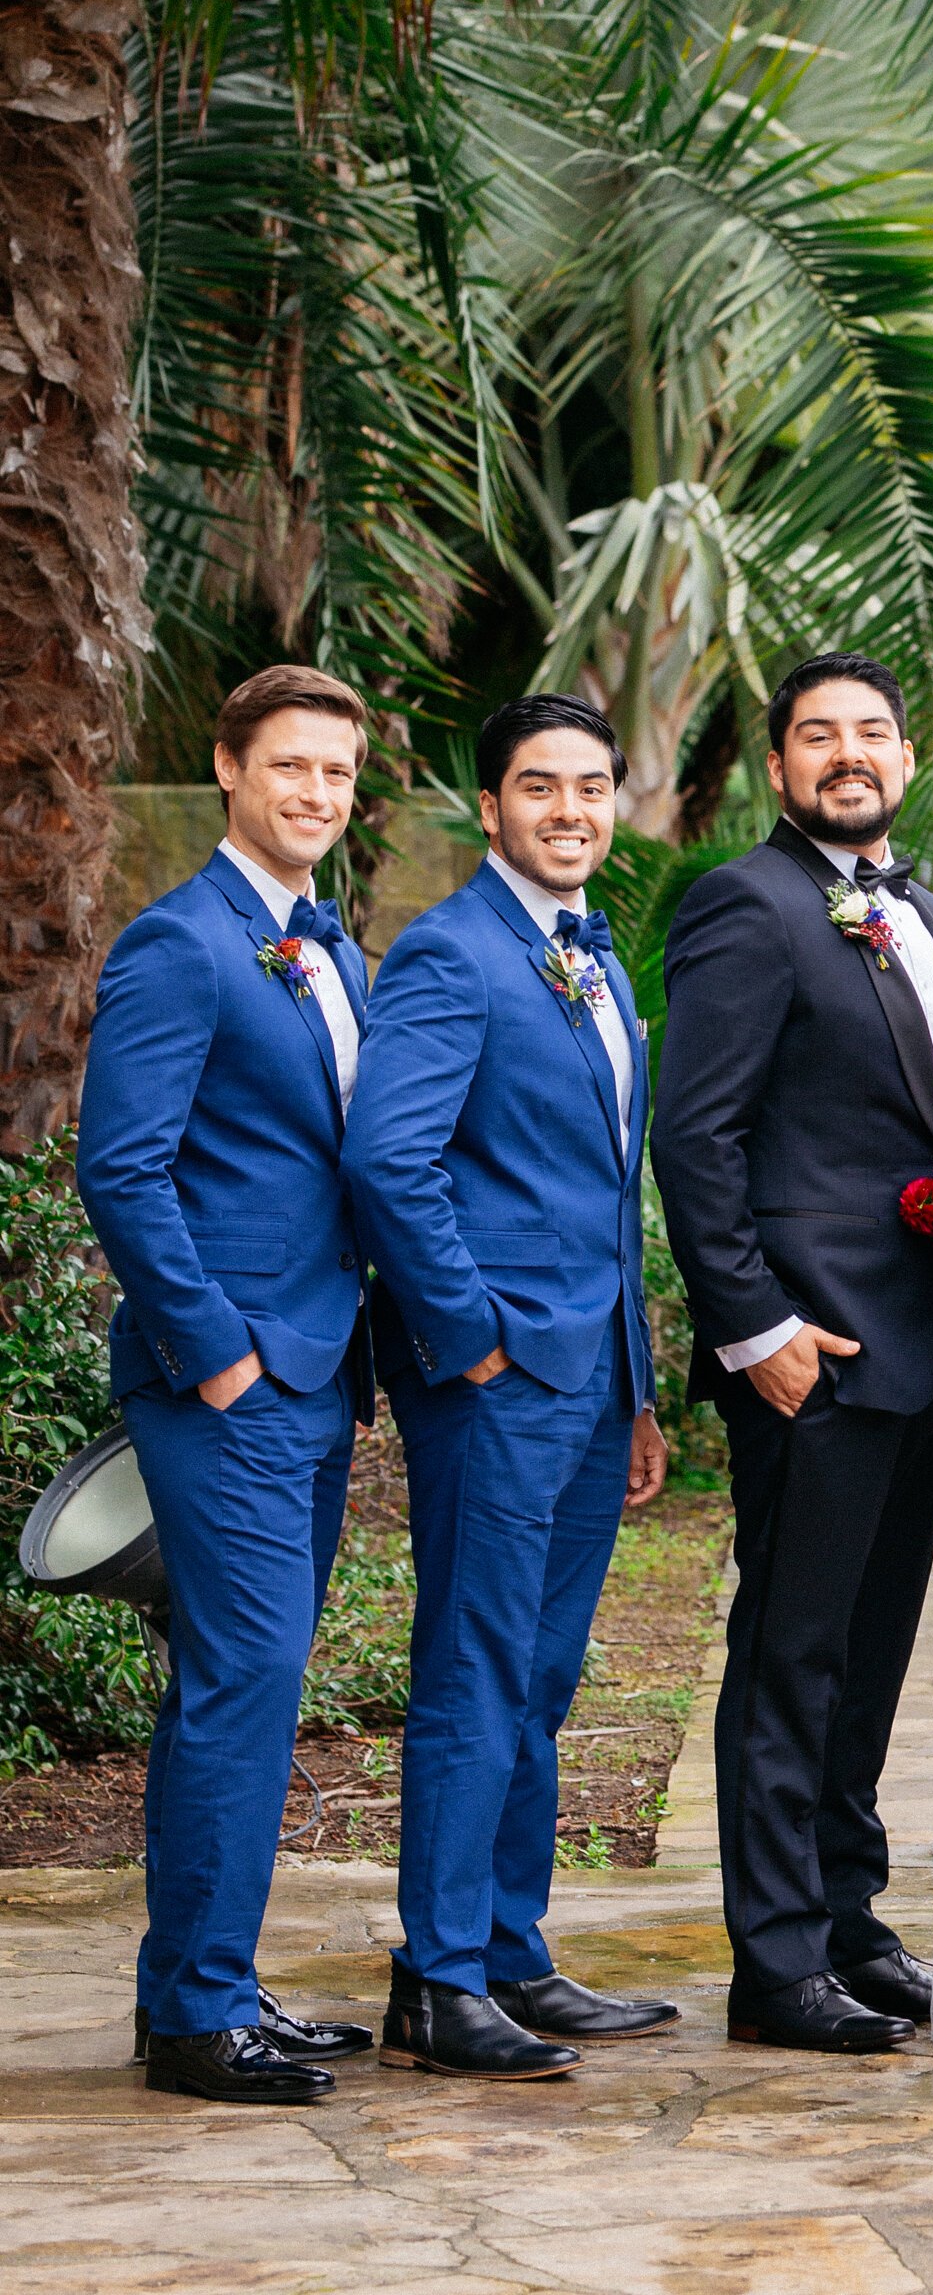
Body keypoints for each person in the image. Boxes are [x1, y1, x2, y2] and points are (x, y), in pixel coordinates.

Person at [652, 653, 933, 2055]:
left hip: (920, 1342)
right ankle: (774, 1961)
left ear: (906, 758)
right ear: (780, 765)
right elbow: (695, 1135)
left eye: (871, 733)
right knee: (792, 1653)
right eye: (816, 736)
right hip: (815, 1349)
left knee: (871, 1648)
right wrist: (755, 1330)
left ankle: (848, 1917)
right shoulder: (748, 903)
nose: (847, 754)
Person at [343, 694, 673, 2080]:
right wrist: (471, 1334)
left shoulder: (591, 962)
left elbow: (605, 1197)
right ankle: (437, 1976)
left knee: (539, 1675)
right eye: (541, 788)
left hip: (587, 1379)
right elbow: (387, 1161)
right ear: (492, 809)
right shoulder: (449, 953)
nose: (571, 812)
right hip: (495, 1379)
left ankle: (513, 1950)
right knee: (476, 1669)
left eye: (592, 788)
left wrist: (639, 1384)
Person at [77, 664, 379, 2106]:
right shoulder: (179, 944)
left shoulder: (334, 949)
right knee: (243, 1680)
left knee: (247, 1683)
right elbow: (120, 1170)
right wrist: (222, 1359)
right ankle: (201, 2015)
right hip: (230, 1386)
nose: (315, 793)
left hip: (321, 1373)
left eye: (336, 772)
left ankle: (204, 1984)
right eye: (291, 767)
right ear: (227, 769)